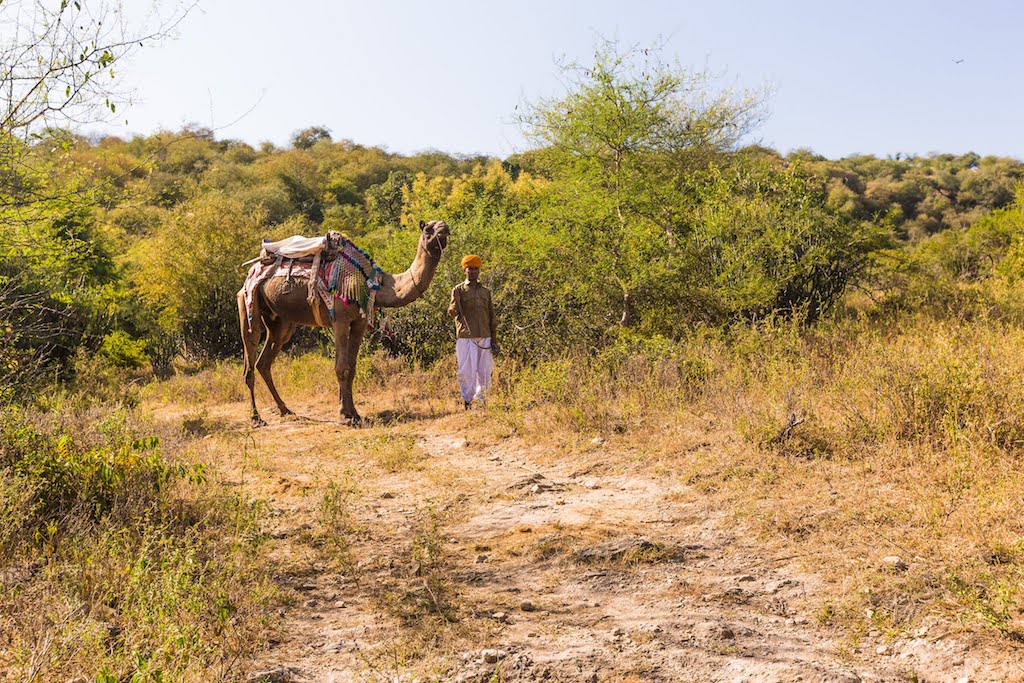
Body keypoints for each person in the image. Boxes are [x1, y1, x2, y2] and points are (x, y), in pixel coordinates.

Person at [448, 254, 499, 409]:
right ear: (465, 269)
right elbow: (451, 312)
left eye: (476, 269)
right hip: (466, 336)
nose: (473, 271)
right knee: (466, 371)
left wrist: (495, 340)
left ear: (479, 270)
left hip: (484, 335)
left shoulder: (486, 291)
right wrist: (456, 301)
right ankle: (467, 400)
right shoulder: (458, 289)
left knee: (484, 370)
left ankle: (482, 401)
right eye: (470, 268)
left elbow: (492, 316)